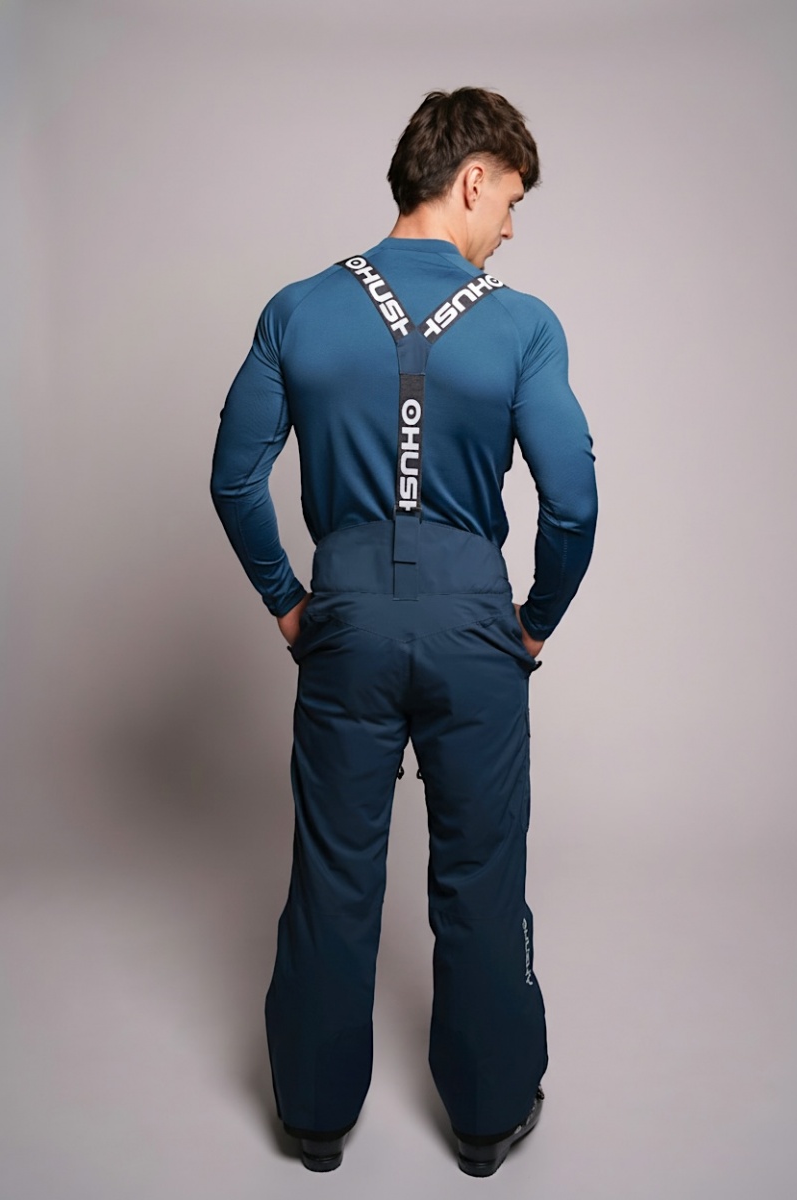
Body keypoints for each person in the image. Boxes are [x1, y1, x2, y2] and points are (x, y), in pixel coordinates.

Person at [210, 87, 598, 1177]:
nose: (510, 229)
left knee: (334, 873)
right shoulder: (522, 325)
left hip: (343, 619)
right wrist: (531, 625)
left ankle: (314, 1120)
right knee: (479, 875)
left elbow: (233, 478)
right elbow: (572, 506)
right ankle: (485, 1121)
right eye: (510, 201)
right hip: (475, 627)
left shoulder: (296, 309)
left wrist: (290, 600)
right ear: (471, 179)